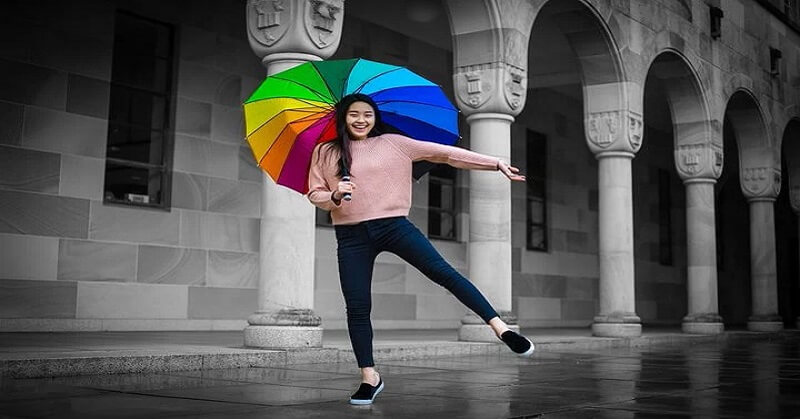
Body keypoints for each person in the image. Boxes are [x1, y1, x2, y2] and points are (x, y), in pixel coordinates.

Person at [307, 93, 535, 406]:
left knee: (443, 273)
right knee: (357, 306)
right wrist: (334, 194)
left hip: (394, 226)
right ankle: (369, 377)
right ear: (343, 118)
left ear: (375, 118)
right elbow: (314, 193)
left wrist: (494, 164)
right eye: (354, 115)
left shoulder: (394, 143)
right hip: (350, 236)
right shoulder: (325, 151)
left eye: (367, 114)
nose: (361, 120)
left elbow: (446, 155)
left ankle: (501, 329)